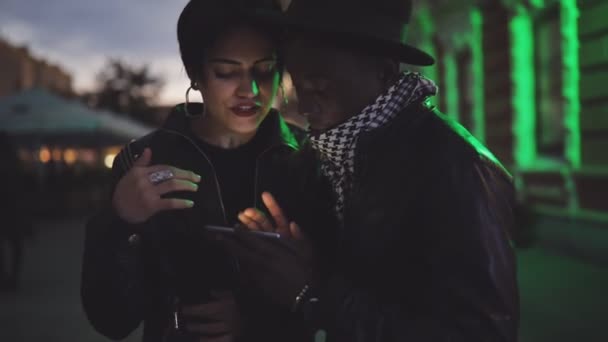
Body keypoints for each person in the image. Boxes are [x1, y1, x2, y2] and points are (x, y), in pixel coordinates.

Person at [223, 0, 520, 341]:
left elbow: (483, 333)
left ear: (384, 70)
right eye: (298, 88)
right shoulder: (319, 159)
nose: (304, 106)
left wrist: (314, 292)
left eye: (319, 86)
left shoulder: (458, 168)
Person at [80, 1, 333, 341]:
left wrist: (261, 316)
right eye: (226, 72)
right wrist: (120, 220)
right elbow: (110, 320)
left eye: (264, 70)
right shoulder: (144, 161)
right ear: (195, 75)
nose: (250, 90)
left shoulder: (308, 158)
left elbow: (343, 301)